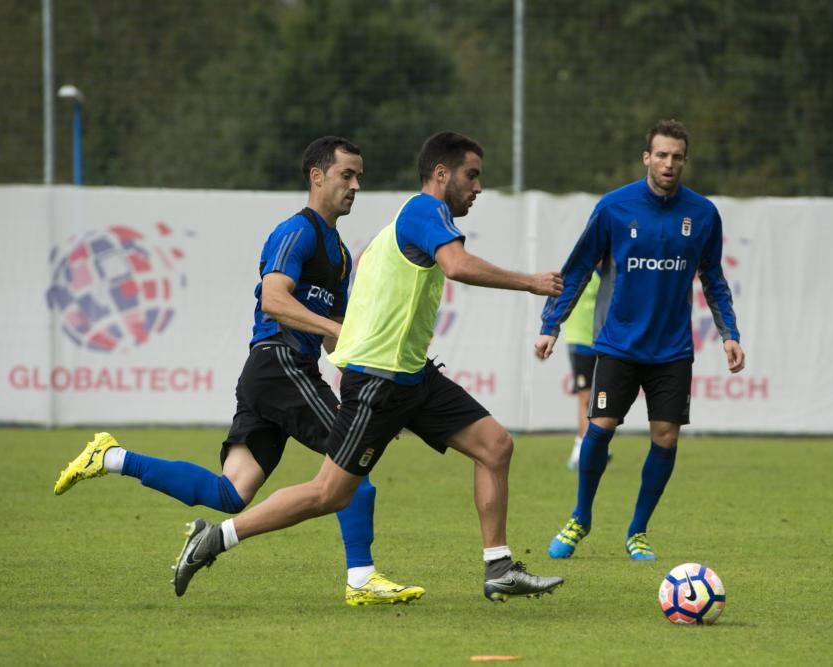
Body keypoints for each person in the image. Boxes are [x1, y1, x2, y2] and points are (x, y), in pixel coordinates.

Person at [171, 131, 566, 603]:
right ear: (441, 175)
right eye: (472, 175)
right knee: (330, 494)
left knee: (496, 446)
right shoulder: (424, 210)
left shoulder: (403, 225)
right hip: (379, 380)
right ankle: (216, 538)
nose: (478, 187)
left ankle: (498, 567)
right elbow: (457, 266)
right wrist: (530, 282)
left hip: (413, 375)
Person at [53, 136, 425, 606]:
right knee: (352, 471)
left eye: (359, 178)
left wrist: (372, 391)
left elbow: (338, 341)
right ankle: (361, 579)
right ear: (317, 176)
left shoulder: (342, 254)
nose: (355, 186)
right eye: (346, 175)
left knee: (230, 493)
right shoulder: (298, 231)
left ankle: (110, 457)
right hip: (279, 363)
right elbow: (274, 299)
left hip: (272, 372)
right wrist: (339, 341)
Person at [536, 119, 745, 561]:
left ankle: (638, 531)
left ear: (685, 161)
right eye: (662, 155)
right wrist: (551, 325)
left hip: (672, 351)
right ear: (647, 157)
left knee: (666, 437)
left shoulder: (703, 214)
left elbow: (715, 278)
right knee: (600, 428)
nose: (669, 164)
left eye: (677, 157)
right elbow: (576, 270)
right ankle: (580, 518)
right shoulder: (614, 208)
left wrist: (729, 333)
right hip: (617, 345)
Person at [562, 269, 599, 470]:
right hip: (581, 343)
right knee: (585, 398)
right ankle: (580, 448)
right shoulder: (580, 271)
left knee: (598, 398)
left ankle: (592, 445)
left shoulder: (611, 272)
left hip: (602, 342)